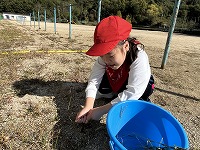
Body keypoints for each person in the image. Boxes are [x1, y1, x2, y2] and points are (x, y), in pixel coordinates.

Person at [75, 16, 154, 124]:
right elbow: (94, 80)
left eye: (111, 56)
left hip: (135, 84)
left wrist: (100, 110)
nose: (106, 60)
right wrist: (88, 106)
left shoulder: (139, 57)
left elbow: (133, 91)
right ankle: (117, 95)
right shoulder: (106, 57)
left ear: (125, 46)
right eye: (102, 56)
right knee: (102, 86)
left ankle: (122, 98)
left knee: (139, 97)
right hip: (117, 79)